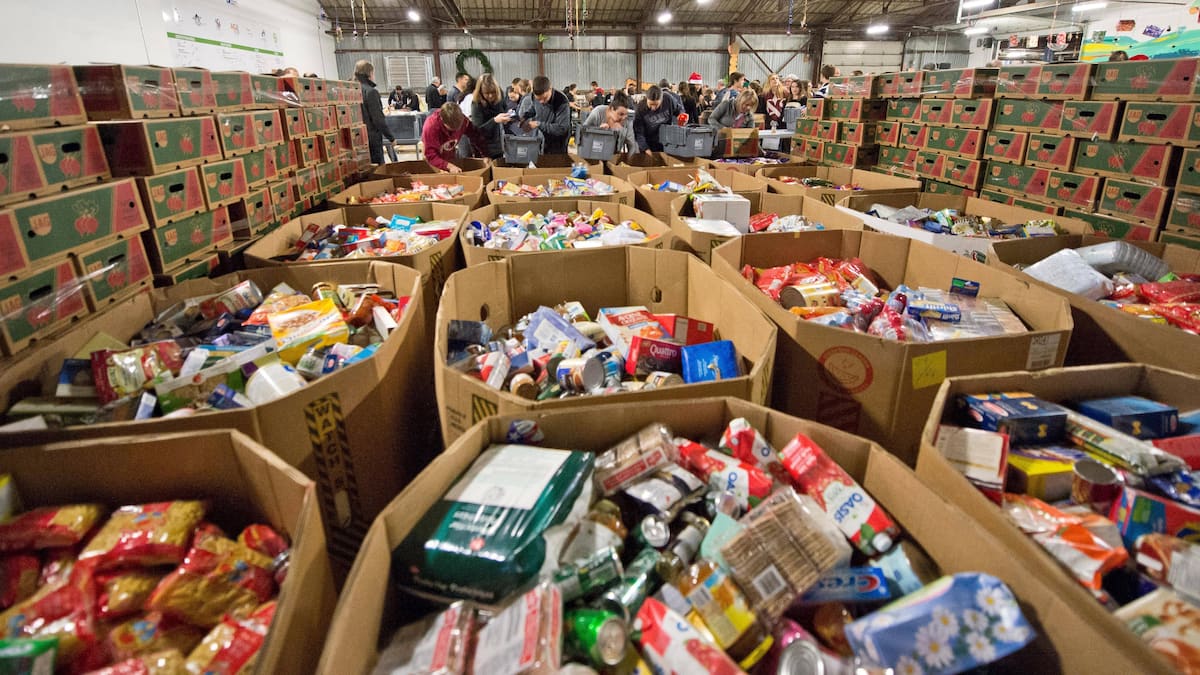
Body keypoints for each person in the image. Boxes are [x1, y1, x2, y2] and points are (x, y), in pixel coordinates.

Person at [422, 103, 486, 172]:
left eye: (458, 128)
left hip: (450, 155)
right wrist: (448, 166)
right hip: (434, 161)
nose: (456, 131)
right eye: (451, 129)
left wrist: (485, 154)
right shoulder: (431, 127)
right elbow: (430, 155)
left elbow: (475, 135)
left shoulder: (463, 120)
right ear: (443, 121)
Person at [518, 75, 572, 154]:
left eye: (545, 98)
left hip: (558, 142)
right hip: (543, 138)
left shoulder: (561, 101)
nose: (541, 102)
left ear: (550, 88)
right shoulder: (534, 96)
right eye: (538, 99)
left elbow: (562, 128)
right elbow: (533, 109)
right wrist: (525, 117)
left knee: (555, 163)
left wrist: (538, 124)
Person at [354, 60, 394, 164]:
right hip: (371, 138)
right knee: (377, 168)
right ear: (370, 73)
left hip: (355, 138)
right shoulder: (370, 92)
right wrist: (391, 137)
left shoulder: (351, 90)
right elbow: (378, 119)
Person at [470, 73, 512, 161]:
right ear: (481, 92)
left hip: (498, 144)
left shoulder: (499, 96)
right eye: (486, 93)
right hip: (482, 147)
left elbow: (504, 109)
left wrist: (507, 117)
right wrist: (494, 120)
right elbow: (477, 130)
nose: (490, 96)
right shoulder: (476, 104)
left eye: (493, 92)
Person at [633, 85, 683, 154]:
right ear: (647, 99)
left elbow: (679, 109)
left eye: (656, 104)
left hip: (667, 142)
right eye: (650, 104)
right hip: (649, 144)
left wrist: (682, 116)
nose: (653, 108)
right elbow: (639, 132)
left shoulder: (668, 99)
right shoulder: (640, 108)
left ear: (662, 99)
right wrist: (645, 148)